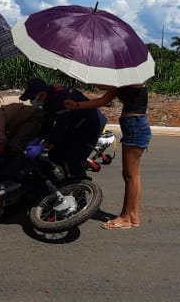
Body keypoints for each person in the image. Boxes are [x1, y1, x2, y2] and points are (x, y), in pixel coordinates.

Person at [64, 84, 150, 229]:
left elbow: (132, 85)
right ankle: (133, 216)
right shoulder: (122, 81)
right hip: (132, 127)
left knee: (130, 176)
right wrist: (77, 105)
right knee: (130, 175)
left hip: (136, 126)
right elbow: (103, 100)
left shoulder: (137, 79)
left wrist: (101, 82)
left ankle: (125, 218)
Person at [20, 77, 105, 176]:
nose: (31, 101)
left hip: (89, 126)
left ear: (42, 93)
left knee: (73, 159)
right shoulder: (48, 99)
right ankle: (64, 181)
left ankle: (80, 187)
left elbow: (60, 126)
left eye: (32, 98)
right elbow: (48, 121)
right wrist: (39, 138)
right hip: (74, 126)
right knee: (55, 154)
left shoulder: (61, 98)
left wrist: (42, 146)